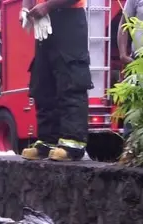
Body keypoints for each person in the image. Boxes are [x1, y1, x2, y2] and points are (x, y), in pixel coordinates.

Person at [20, 0, 92, 161]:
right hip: (44, 18)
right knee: (43, 82)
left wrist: (47, 6)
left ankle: (73, 145)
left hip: (69, 17)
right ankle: (47, 141)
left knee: (70, 79)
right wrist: (25, 9)